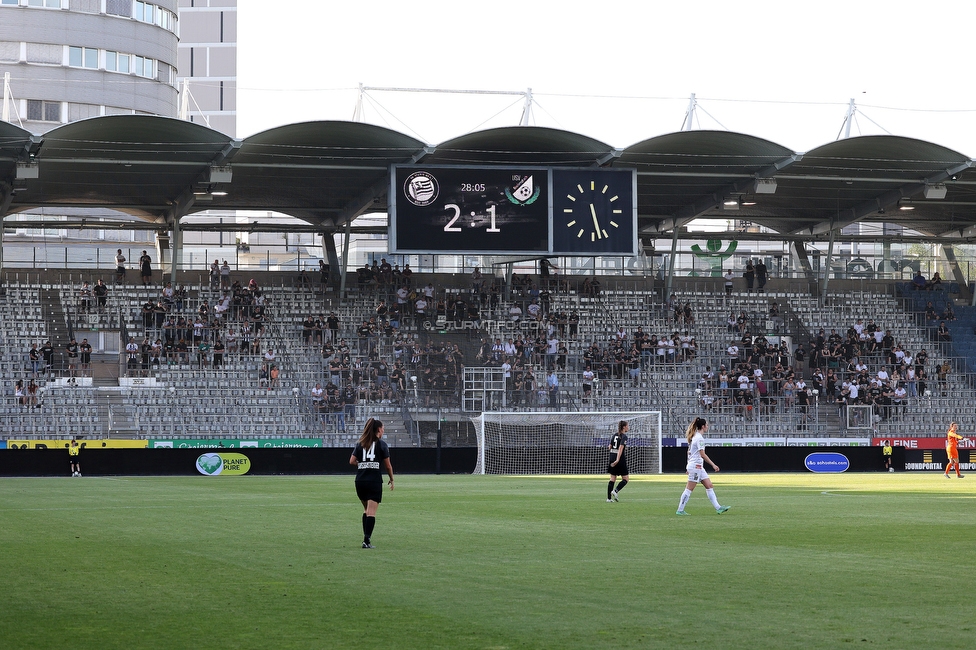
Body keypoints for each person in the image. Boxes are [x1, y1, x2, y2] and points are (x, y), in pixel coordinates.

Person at [349, 418, 394, 549]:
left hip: (360, 481)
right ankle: (366, 541)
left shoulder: (360, 444)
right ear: (379, 429)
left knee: (366, 510)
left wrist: (363, 465)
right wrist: (391, 479)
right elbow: (388, 466)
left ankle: (366, 537)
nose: (383, 430)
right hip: (374, 481)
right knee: (371, 512)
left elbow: (351, 461)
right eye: (383, 428)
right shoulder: (382, 444)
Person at [676, 417, 731, 515]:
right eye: (707, 425)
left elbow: (688, 452)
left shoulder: (694, 436)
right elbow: (702, 454)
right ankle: (680, 510)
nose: (708, 427)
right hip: (696, 467)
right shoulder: (699, 438)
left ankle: (718, 508)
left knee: (709, 485)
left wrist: (688, 465)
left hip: (697, 467)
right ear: (703, 426)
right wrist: (713, 465)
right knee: (689, 489)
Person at [606, 420, 630, 502]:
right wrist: (618, 459)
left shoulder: (614, 435)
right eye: (627, 426)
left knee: (612, 478)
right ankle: (615, 491)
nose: (628, 427)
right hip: (619, 458)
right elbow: (621, 448)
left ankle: (608, 499)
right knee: (626, 479)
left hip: (611, 456)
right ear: (624, 427)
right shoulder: (624, 436)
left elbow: (609, 447)